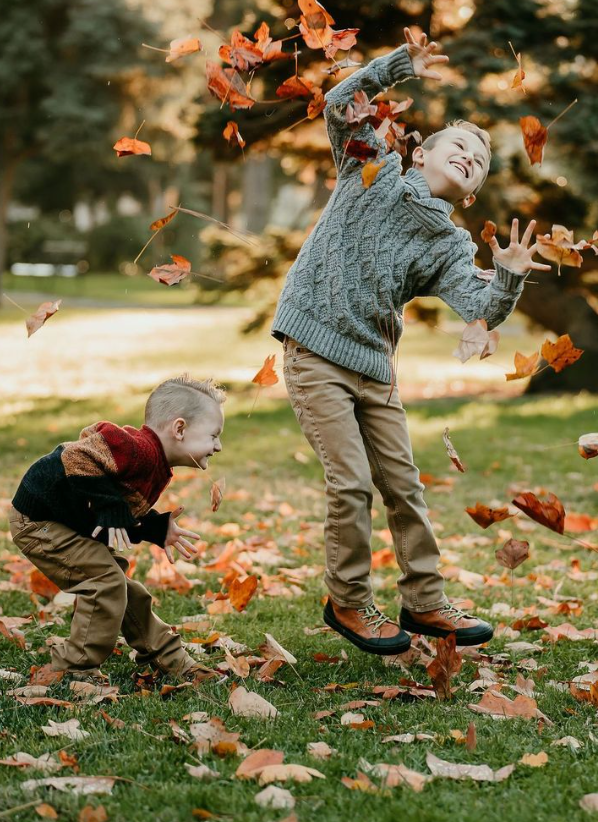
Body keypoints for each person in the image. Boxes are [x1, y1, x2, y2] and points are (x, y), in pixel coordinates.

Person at [271, 28, 550, 655]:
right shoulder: (374, 168)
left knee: (404, 485)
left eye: (477, 161)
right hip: (314, 348)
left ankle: (424, 603)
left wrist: (506, 275)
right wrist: (397, 67)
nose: (468, 157)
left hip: (375, 367)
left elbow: (478, 307)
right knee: (349, 482)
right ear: (422, 152)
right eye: (459, 145)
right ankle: (347, 600)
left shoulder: (450, 245)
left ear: (472, 191)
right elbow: (343, 101)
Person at [8, 375, 225, 682]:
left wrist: (154, 528)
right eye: (214, 435)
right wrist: (111, 506)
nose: (219, 446)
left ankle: (170, 659)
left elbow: (118, 518)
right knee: (106, 581)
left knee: (122, 587)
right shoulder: (136, 449)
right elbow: (76, 455)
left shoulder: (157, 468)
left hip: (66, 521)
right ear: (179, 429)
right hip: (39, 520)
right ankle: (76, 667)